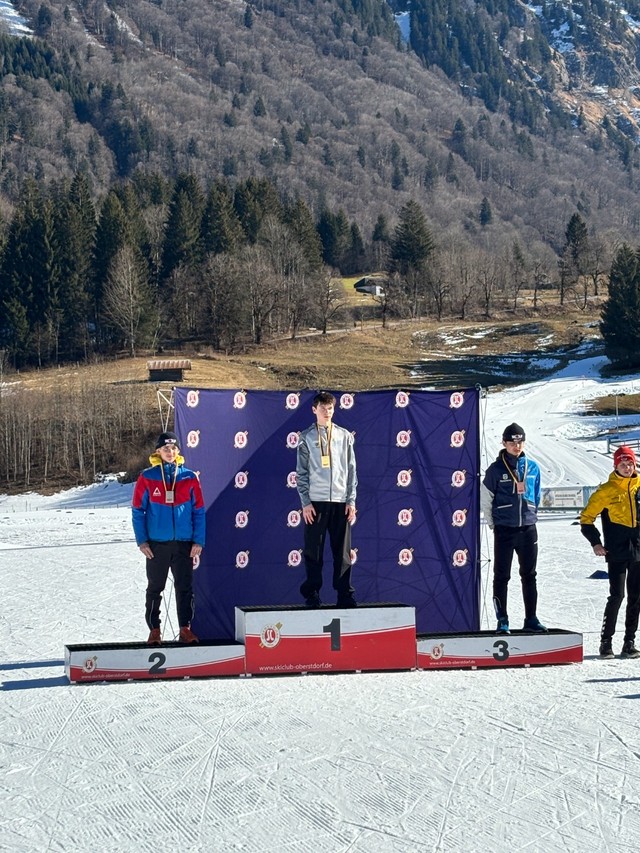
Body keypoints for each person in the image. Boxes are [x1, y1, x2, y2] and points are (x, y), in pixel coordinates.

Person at [132, 431, 206, 644]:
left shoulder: (189, 477)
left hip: (184, 543)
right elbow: (138, 510)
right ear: (158, 451)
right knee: (155, 588)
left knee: (185, 588)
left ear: (178, 451)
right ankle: (154, 630)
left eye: (173, 448)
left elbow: (199, 511)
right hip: (157, 544)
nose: (170, 452)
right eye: (165, 448)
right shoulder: (147, 477)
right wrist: (142, 540)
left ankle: (185, 628)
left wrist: (198, 540)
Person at [480, 422, 547, 634]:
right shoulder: (495, 469)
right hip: (505, 529)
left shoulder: (533, 467)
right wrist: (493, 524)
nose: (516, 446)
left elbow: (535, 494)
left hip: (528, 529)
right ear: (504, 443)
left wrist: (532, 515)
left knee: (529, 575)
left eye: (520, 442)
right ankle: (503, 620)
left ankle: (531, 618)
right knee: (502, 576)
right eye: (512, 442)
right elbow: (486, 499)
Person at [296, 391, 357, 608]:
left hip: (341, 501)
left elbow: (351, 470)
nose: (327, 412)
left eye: (330, 408)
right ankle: (312, 593)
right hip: (316, 502)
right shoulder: (306, 437)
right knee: (314, 550)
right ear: (314, 410)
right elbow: (301, 473)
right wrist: (305, 502)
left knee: (342, 553)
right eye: (323, 408)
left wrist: (351, 500)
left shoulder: (344, 436)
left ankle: (345, 595)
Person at [580, 445, 640, 659]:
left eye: (630, 463)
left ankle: (629, 642)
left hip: (638, 552)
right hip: (616, 551)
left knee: (636, 597)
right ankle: (606, 642)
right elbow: (586, 519)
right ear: (616, 465)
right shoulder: (606, 490)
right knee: (617, 596)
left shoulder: (639, 486)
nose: (627, 467)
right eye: (623, 464)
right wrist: (596, 543)